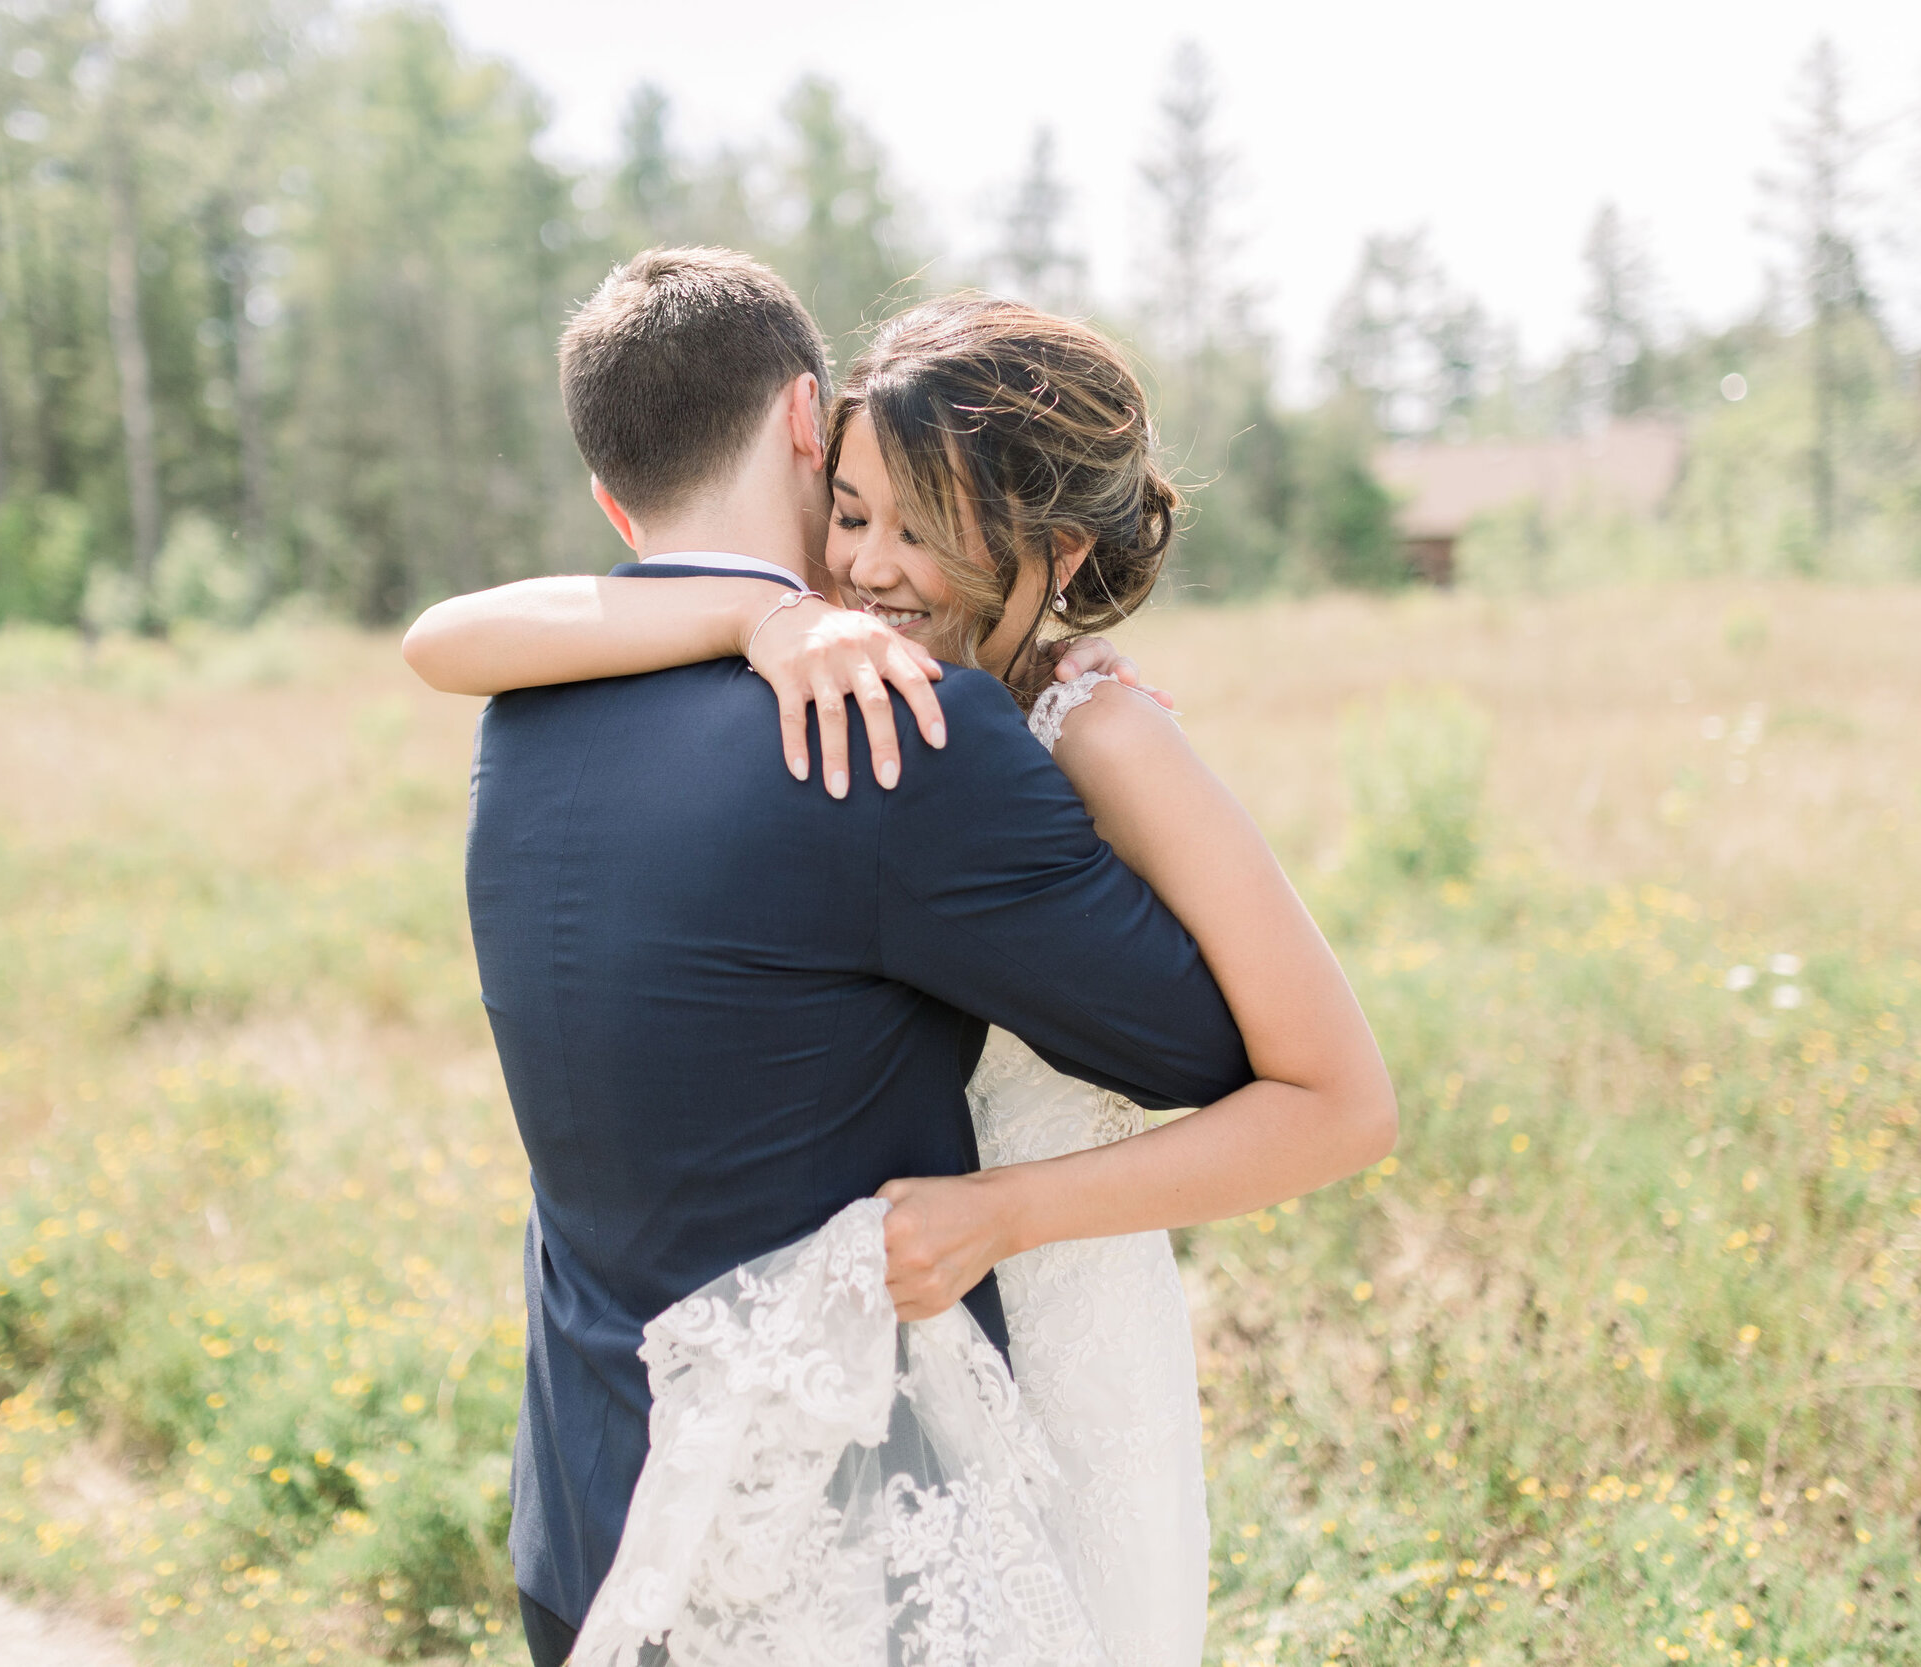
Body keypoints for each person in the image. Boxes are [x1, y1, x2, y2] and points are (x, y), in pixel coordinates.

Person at [406, 252, 1395, 1667]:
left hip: (587, 1514)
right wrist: (771, 613)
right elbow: (1208, 1052)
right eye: (857, 513)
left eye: (920, 528)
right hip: (835, 1539)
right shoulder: (895, 725)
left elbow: (1295, 1081)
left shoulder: (536, 708)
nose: (866, 565)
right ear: (810, 431)